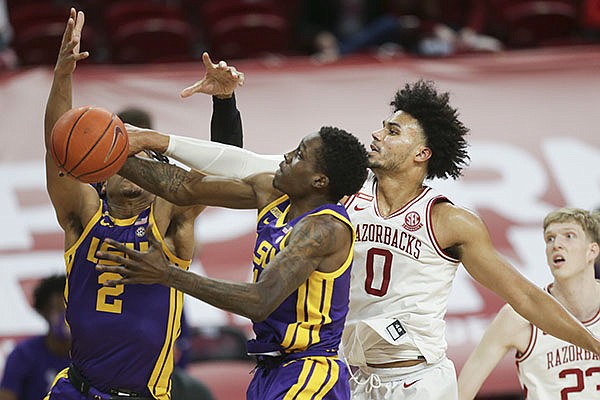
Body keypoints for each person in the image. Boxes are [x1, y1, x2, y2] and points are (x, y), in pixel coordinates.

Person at [122, 79, 600, 399]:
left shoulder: (450, 222)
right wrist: (162, 139)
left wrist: (594, 346)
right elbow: (243, 165)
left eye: (393, 131)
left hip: (416, 381)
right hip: (347, 374)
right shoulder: (338, 191)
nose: (377, 133)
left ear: (421, 154)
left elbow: (524, 297)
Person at [43, 8, 244, 400]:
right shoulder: (83, 217)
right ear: (103, 172)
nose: (137, 172)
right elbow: (58, 147)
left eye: (149, 164)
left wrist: (224, 101)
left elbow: (228, 170)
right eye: (127, 163)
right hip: (76, 391)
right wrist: (62, 75)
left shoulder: (170, 222)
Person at [94, 126, 369, 399]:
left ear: (319, 181)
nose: (285, 156)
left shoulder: (322, 229)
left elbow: (259, 301)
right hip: (271, 369)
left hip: (310, 370)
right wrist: (109, 155)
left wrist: (169, 275)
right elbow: (183, 188)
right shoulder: (271, 192)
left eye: (298, 155)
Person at [457, 207, 600, 399]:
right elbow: (460, 392)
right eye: (550, 238)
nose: (556, 244)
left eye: (569, 236)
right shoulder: (516, 317)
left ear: (592, 251)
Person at [0, 275, 71, 400]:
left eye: (67, 309)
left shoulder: (91, 355)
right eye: (57, 309)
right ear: (43, 312)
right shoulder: (23, 355)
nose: (63, 317)